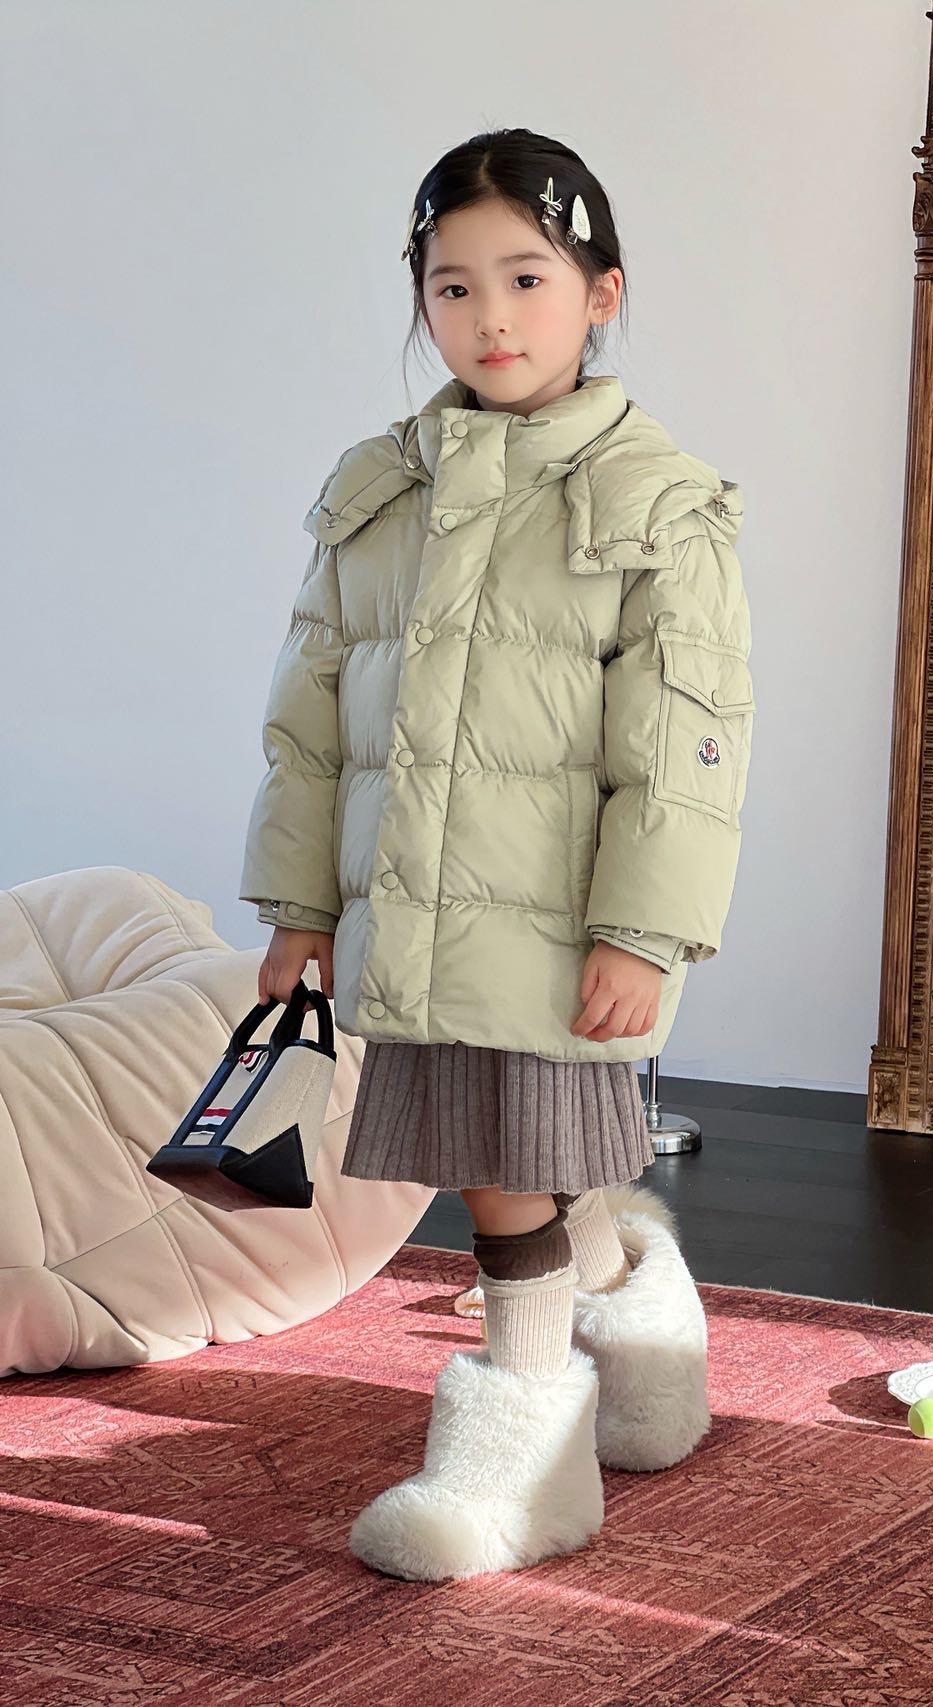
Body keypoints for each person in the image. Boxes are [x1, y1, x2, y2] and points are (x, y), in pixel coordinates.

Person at [238, 127, 754, 1582]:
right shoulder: (377, 490)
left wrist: (644, 929)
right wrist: (297, 904)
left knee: (508, 1181)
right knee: (511, 1166)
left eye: (527, 277)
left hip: (561, 918)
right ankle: (639, 1318)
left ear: (601, 292)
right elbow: (311, 719)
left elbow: (690, 743)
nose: (490, 316)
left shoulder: (659, 500)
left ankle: (519, 1469)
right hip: (410, 903)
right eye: (452, 286)